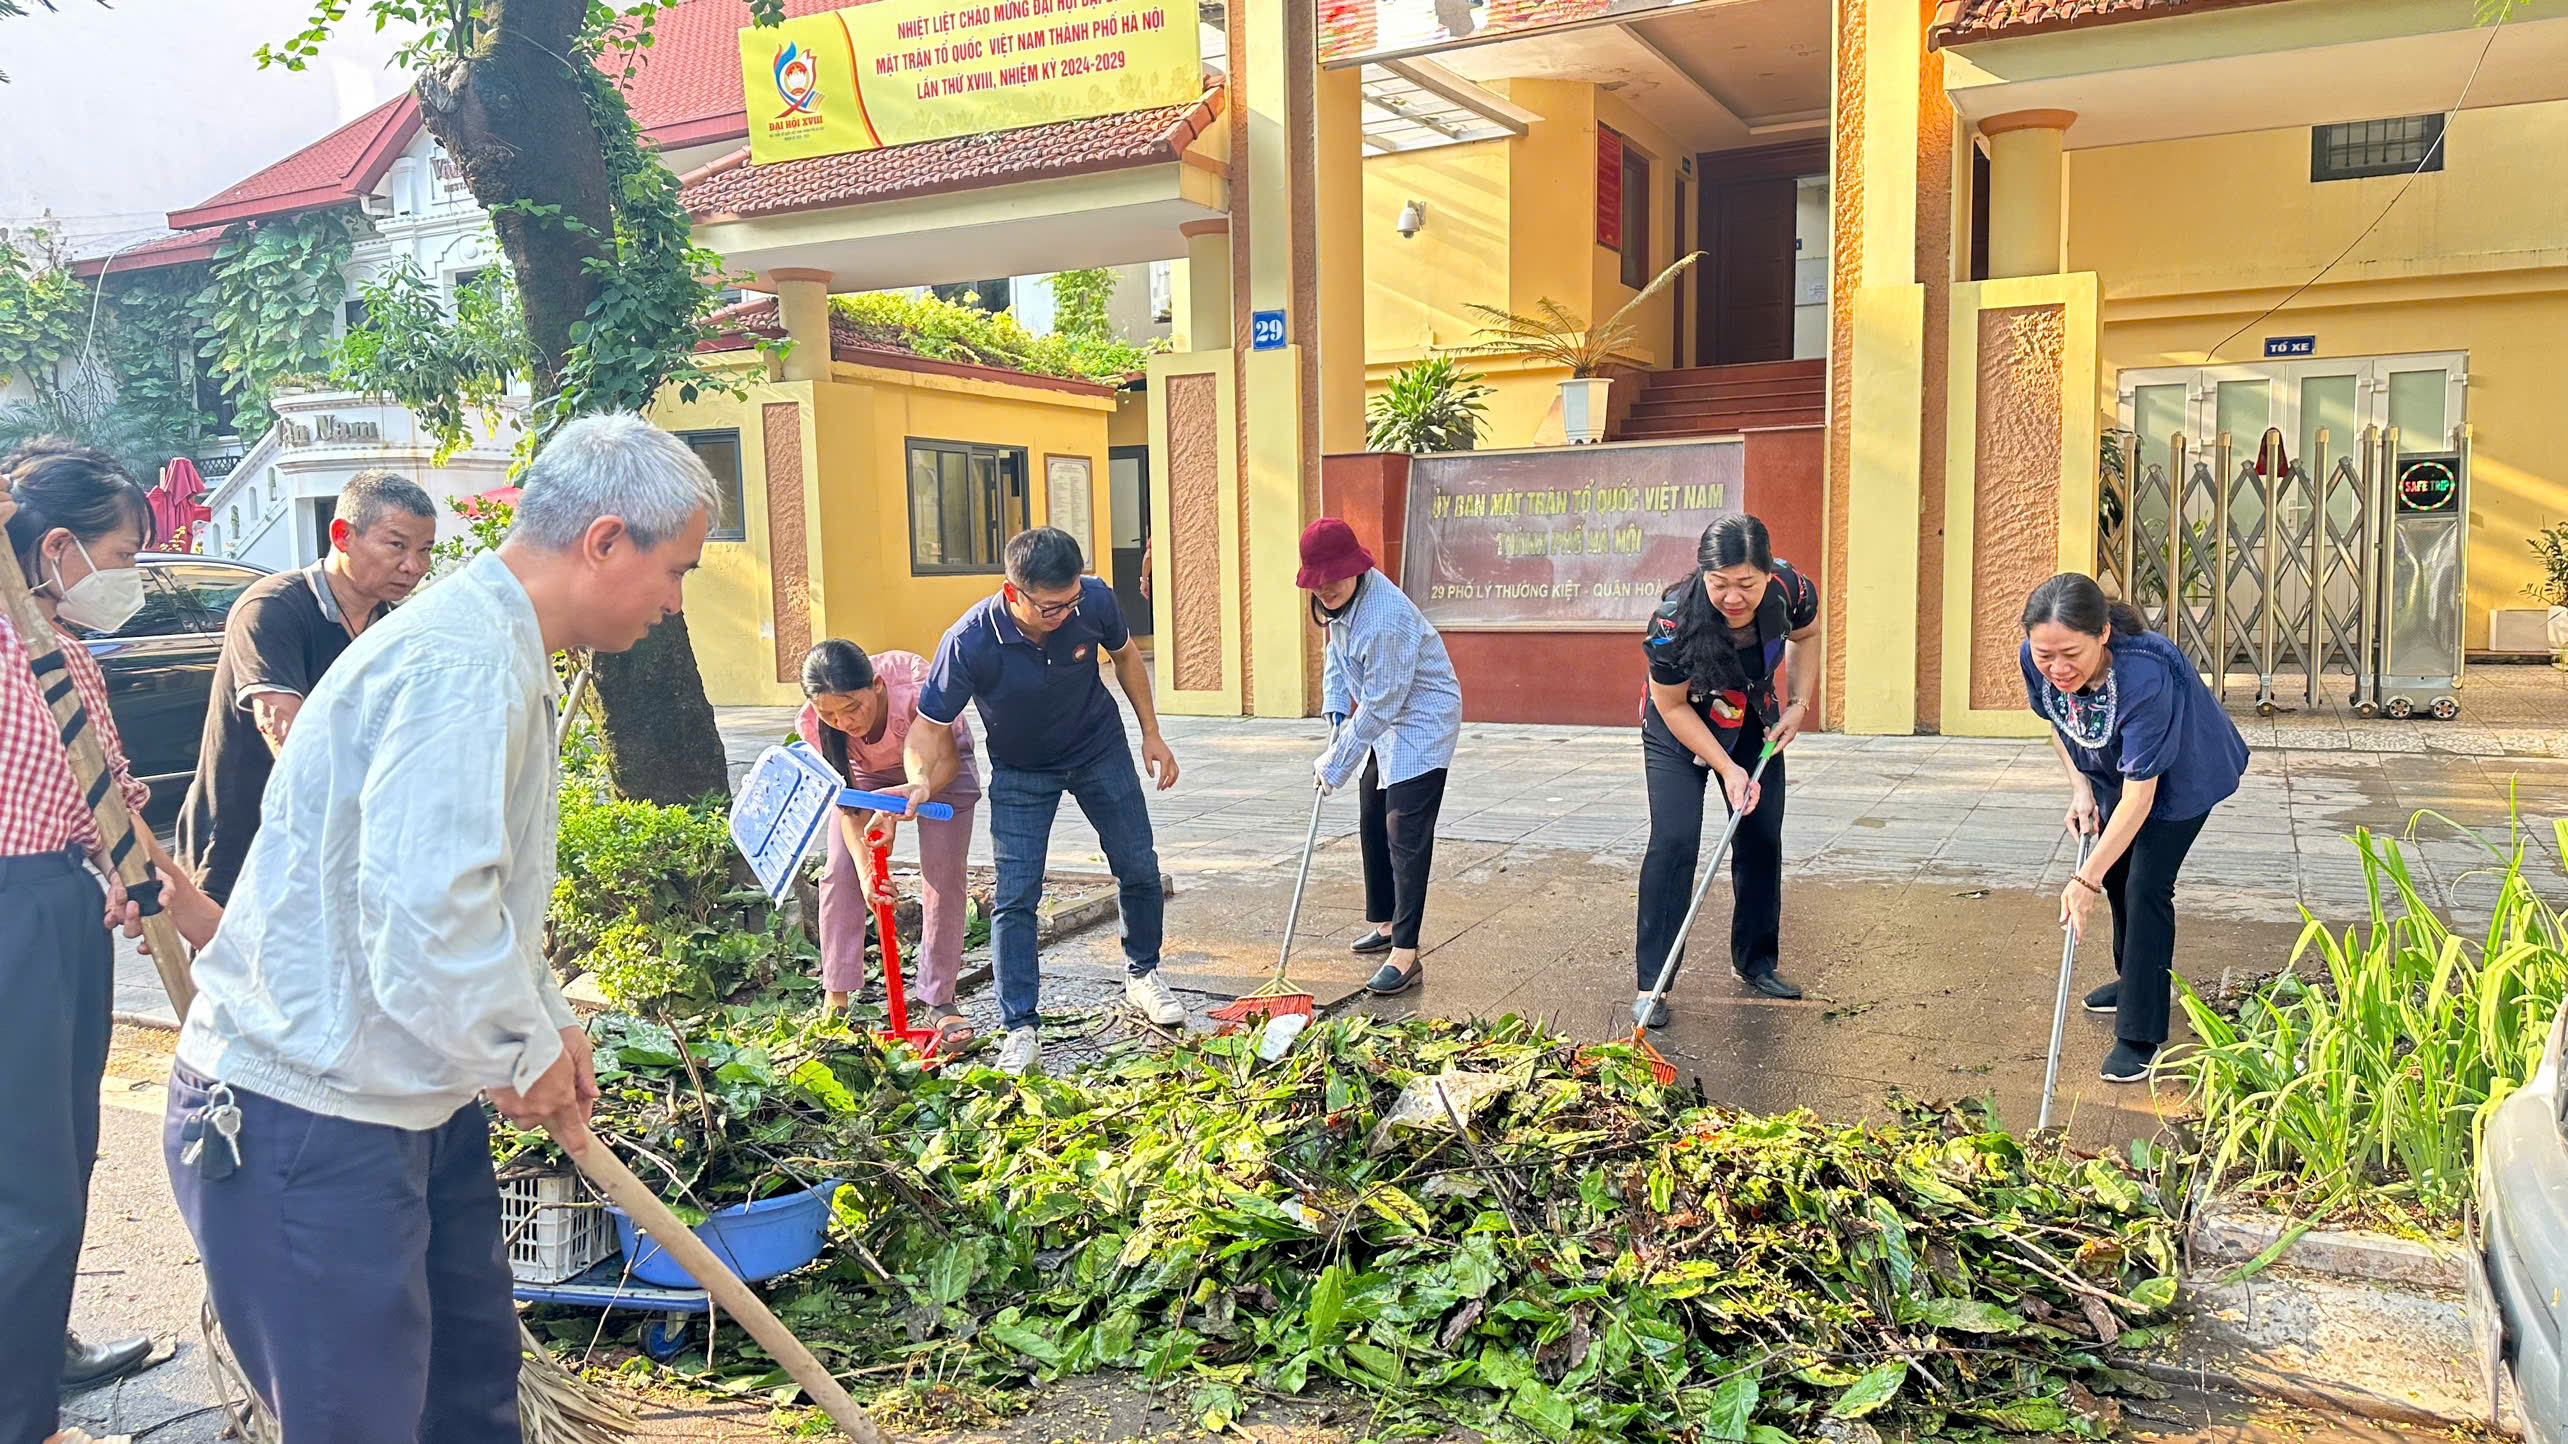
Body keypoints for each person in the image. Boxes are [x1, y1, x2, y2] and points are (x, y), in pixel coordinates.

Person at [154, 413, 719, 1442]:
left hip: (409, 1101)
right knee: (366, 1422)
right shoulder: (459, 665)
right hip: (305, 1117)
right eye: (675, 568)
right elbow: (425, 921)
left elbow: (481, 894)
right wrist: (516, 1048)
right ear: (603, 540)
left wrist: (546, 1020)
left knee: (467, 1399)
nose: (675, 600)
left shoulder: (495, 649)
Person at [0, 444, 187, 1444]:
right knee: (29, 1178)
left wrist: (126, 870)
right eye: (124, 552)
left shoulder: (59, 650)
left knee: (59, 1162)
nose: (131, 578)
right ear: (61, 546)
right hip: (16, 916)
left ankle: (30, 1379)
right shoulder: (14, 651)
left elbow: (103, 790)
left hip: (56, 907)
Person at [898, 527, 1183, 1076]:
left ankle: (1143, 974)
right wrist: (917, 779)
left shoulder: (1093, 598)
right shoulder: (969, 642)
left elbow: (1125, 657)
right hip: (1022, 770)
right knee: (1016, 895)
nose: (1065, 613)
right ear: (1014, 594)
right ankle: (1020, 1026)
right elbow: (928, 728)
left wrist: (1151, 732)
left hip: (1099, 749)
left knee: (1138, 865)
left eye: (1072, 601)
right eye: (1052, 607)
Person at [2020, 572, 2247, 1083]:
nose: (2056, 668)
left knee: (2145, 883)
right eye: (2044, 655)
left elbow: (2142, 796)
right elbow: (2059, 724)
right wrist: (2080, 789)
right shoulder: (2034, 658)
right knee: (2119, 870)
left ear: (2102, 634)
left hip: (2184, 772)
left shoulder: (2145, 674)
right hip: (2111, 768)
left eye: (2070, 655)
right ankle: (2134, 980)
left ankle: (2141, 1032)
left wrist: (2083, 882)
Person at [178, 469, 436, 904]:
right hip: (241, 844)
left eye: (425, 550)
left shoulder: (390, 627)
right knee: (229, 971)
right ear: (342, 535)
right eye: (397, 545)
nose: (413, 566)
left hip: (327, 850)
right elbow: (283, 730)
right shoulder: (274, 608)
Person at [1634, 515, 1819, 1024]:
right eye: (1720, 583)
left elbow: (1808, 635)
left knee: (1761, 834)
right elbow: (1670, 705)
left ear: (1767, 572)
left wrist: (1799, 705)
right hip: (1680, 726)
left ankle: (1756, 962)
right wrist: (1727, 769)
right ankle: (1655, 983)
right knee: (1674, 841)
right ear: (1703, 574)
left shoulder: (1790, 588)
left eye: (1746, 584)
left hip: (1751, 718)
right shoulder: (1672, 621)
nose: (1733, 597)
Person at [1297, 518, 1461, 996]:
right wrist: (1332, 712)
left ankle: (1406, 953)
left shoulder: (1384, 617)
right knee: (1372, 815)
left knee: (1403, 832)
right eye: (1318, 581)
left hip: (1421, 722)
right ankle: (1385, 924)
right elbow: (1336, 655)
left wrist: (1336, 763)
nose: (1325, 588)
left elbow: (1381, 703)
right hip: (1387, 718)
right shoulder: (1337, 603)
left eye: (1333, 578)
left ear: (1355, 568)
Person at [797, 639, 982, 1044]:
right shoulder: (815, 724)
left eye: (852, 708)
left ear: (877, 686)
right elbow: (847, 803)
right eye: (829, 713)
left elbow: (947, 762)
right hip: (865, 783)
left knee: (943, 877)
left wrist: (908, 799)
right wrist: (867, 871)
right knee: (839, 872)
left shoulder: (915, 688)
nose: (844, 722)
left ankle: (940, 1000)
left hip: (936, 776)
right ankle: (837, 995)